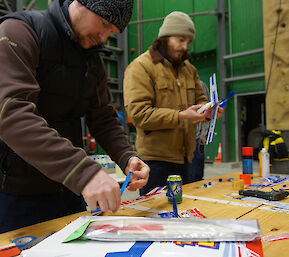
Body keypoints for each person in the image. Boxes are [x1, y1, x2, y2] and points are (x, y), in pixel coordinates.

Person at [0, 0, 149, 234]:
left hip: (70, 191)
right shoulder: (19, 31)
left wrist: (127, 156)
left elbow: (103, 117)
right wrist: (83, 172)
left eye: (112, 32)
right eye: (103, 24)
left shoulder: (92, 58)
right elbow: (10, 112)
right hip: (15, 194)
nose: (103, 37)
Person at [123, 11, 222, 195]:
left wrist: (208, 110)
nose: (185, 47)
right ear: (165, 38)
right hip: (155, 163)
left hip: (187, 159)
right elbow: (139, 114)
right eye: (180, 40)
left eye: (188, 42)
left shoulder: (189, 70)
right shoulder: (141, 67)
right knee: (158, 218)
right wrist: (182, 115)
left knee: (187, 215)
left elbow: (201, 100)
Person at [188, 81, 210, 183]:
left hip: (195, 140)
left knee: (195, 180)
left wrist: (203, 136)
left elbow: (207, 110)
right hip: (175, 144)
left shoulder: (199, 85)